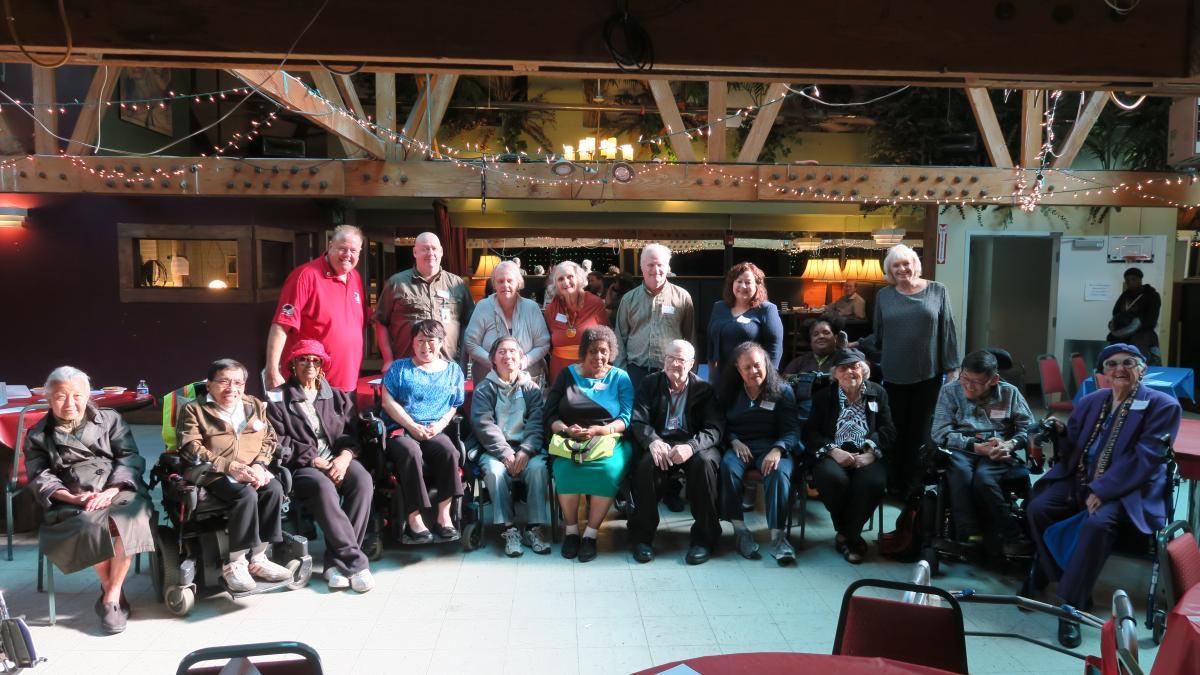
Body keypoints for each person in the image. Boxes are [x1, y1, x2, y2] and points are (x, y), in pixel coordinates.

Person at [1027, 343, 1181, 648]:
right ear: (1102, 373)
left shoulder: (1162, 405)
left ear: (1143, 369)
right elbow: (1074, 446)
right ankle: (1063, 577)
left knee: (1098, 524)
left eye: (1128, 363)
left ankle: (1069, 607)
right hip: (1080, 479)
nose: (1119, 369)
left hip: (1129, 490)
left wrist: (1103, 489)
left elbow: (1146, 458)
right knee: (1037, 506)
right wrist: (1058, 432)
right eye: (1111, 364)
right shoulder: (1092, 401)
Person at [24, 366, 155, 634]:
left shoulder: (109, 420)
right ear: (49, 399)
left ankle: (110, 595)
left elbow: (129, 457)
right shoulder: (39, 434)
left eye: (77, 396)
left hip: (118, 488)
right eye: (61, 397)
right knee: (91, 525)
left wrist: (112, 489)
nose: (70, 403)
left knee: (130, 518)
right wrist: (73, 497)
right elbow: (40, 477)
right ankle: (113, 597)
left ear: (89, 396)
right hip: (72, 497)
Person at [266, 340, 375, 593]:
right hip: (303, 466)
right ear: (292, 364)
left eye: (315, 360)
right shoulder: (278, 398)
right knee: (323, 486)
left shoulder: (336, 396)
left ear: (323, 365)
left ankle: (335, 564)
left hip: (338, 459)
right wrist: (313, 459)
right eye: (303, 359)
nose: (310, 365)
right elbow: (277, 441)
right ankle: (356, 563)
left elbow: (351, 433)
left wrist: (345, 456)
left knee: (362, 481)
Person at [178, 359, 294, 593]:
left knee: (273, 490)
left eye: (238, 383)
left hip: (252, 469)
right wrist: (229, 466)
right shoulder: (194, 409)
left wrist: (261, 465)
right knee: (246, 495)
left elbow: (270, 439)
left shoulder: (255, 405)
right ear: (209, 385)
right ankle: (236, 562)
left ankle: (259, 559)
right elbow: (190, 447)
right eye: (223, 382)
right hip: (212, 471)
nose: (232, 388)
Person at [871, 243, 960, 498]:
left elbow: (948, 331)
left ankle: (914, 487)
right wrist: (853, 346)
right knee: (895, 431)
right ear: (889, 270)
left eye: (905, 263)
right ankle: (893, 484)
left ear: (915, 264)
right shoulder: (884, 296)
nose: (901, 269)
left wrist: (952, 368)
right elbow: (878, 335)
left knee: (921, 433)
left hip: (928, 374)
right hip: (894, 375)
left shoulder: (937, 291)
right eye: (895, 265)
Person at [627, 340, 725, 565]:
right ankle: (641, 538)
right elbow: (639, 419)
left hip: (693, 444)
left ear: (691, 363)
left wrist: (691, 446)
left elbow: (714, 428)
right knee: (645, 465)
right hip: (662, 441)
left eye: (680, 359)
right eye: (669, 357)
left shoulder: (704, 389)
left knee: (705, 464)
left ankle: (704, 539)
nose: (673, 363)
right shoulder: (650, 383)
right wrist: (652, 441)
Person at [931, 349, 1035, 557]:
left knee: (985, 480)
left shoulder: (1009, 393)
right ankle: (969, 535)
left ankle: (1013, 536)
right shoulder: (950, 391)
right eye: (965, 378)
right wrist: (975, 446)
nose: (968, 386)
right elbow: (939, 432)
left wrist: (1010, 444)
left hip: (997, 448)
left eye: (976, 382)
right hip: (961, 447)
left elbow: (1029, 428)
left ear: (994, 379)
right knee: (960, 473)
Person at [544, 325, 635, 563]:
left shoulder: (620, 377)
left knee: (607, 470)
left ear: (611, 352)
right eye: (593, 351)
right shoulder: (567, 375)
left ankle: (591, 535)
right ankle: (572, 532)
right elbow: (550, 415)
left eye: (604, 351)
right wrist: (566, 429)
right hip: (571, 441)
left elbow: (626, 417)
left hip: (609, 440)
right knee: (564, 470)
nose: (598, 357)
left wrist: (602, 430)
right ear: (584, 351)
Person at [803, 349, 894, 564]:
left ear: (863, 370)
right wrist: (833, 451)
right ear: (835, 374)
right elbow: (810, 433)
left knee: (874, 482)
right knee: (833, 479)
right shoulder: (823, 396)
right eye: (843, 368)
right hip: (832, 453)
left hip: (866, 453)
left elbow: (888, 429)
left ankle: (846, 536)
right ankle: (853, 537)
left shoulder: (877, 393)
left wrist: (871, 453)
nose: (850, 372)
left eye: (855, 367)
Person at [380, 319, 466, 543]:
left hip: (435, 429)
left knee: (449, 451)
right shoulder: (399, 368)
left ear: (440, 343)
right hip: (402, 429)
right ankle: (414, 518)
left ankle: (443, 516)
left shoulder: (453, 370)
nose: (425, 346)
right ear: (412, 342)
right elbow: (387, 402)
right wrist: (412, 426)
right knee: (411, 453)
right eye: (420, 341)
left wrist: (439, 425)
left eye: (431, 341)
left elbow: (454, 405)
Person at [718, 341, 801, 565]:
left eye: (757, 365)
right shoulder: (729, 391)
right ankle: (740, 531)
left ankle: (778, 537)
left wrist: (778, 449)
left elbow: (792, 429)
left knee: (778, 472)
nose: (754, 371)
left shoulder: (782, 390)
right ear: (738, 369)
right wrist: (734, 441)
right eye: (747, 367)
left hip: (773, 445)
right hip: (740, 445)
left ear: (765, 362)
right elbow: (719, 424)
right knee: (727, 467)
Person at [468, 336, 552, 557]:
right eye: (502, 352)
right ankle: (509, 529)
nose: (508, 356)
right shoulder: (484, 388)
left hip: (527, 449)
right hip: (495, 450)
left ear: (521, 357)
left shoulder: (532, 388)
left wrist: (525, 451)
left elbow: (536, 422)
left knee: (538, 469)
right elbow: (483, 425)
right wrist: (506, 453)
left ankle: (534, 528)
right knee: (495, 472)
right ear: (493, 359)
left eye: (513, 351)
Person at [266, 225, 368, 391]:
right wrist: (272, 369)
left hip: (348, 380)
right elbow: (281, 325)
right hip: (312, 383)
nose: (348, 255)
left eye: (353, 250)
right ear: (330, 246)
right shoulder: (305, 275)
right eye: (342, 249)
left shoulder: (355, 277)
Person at [375, 232, 474, 369]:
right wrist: (388, 360)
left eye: (434, 248)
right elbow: (380, 322)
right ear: (415, 252)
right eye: (425, 249)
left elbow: (469, 324)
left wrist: (463, 360)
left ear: (441, 252)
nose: (430, 253)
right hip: (407, 367)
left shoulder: (457, 285)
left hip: (448, 367)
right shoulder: (396, 283)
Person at [614, 243, 695, 389]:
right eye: (650, 265)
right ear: (642, 267)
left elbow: (690, 338)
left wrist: (689, 373)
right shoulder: (628, 299)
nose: (655, 270)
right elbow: (620, 338)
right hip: (635, 373)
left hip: (672, 373)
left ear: (668, 267)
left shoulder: (682, 297)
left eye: (660, 264)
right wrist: (621, 374)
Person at [464, 260, 551, 385]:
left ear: (518, 283)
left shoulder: (531, 308)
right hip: (488, 381)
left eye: (510, 281)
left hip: (526, 381)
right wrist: (495, 362)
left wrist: (523, 362)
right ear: (494, 284)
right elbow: (470, 342)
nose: (505, 285)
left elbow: (543, 344)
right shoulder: (483, 307)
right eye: (500, 281)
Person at [707, 261, 785, 381]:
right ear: (732, 284)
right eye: (739, 281)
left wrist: (768, 379)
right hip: (722, 376)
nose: (743, 286)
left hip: (752, 378)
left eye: (748, 282)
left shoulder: (767, 309)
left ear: (757, 286)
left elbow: (775, 347)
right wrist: (711, 377)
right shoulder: (719, 307)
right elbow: (711, 343)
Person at [544, 261, 608, 383]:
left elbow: (608, 339)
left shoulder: (595, 304)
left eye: (570, 277)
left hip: (590, 370)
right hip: (560, 371)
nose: (566, 282)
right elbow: (547, 343)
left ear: (579, 279)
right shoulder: (551, 310)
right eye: (560, 279)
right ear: (555, 285)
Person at [1107, 267, 1162, 366]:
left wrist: (1132, 326)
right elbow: (1115, 313)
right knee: (1112, 345)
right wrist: (1114, 325)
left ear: (1140, 280)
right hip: (1122, 333)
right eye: (1127, 280)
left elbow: (1151, 320)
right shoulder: (1124, 296)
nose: (1130, 282)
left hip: (1142, 332)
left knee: (1138, 348)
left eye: (1133, 279)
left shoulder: (1152, 296)